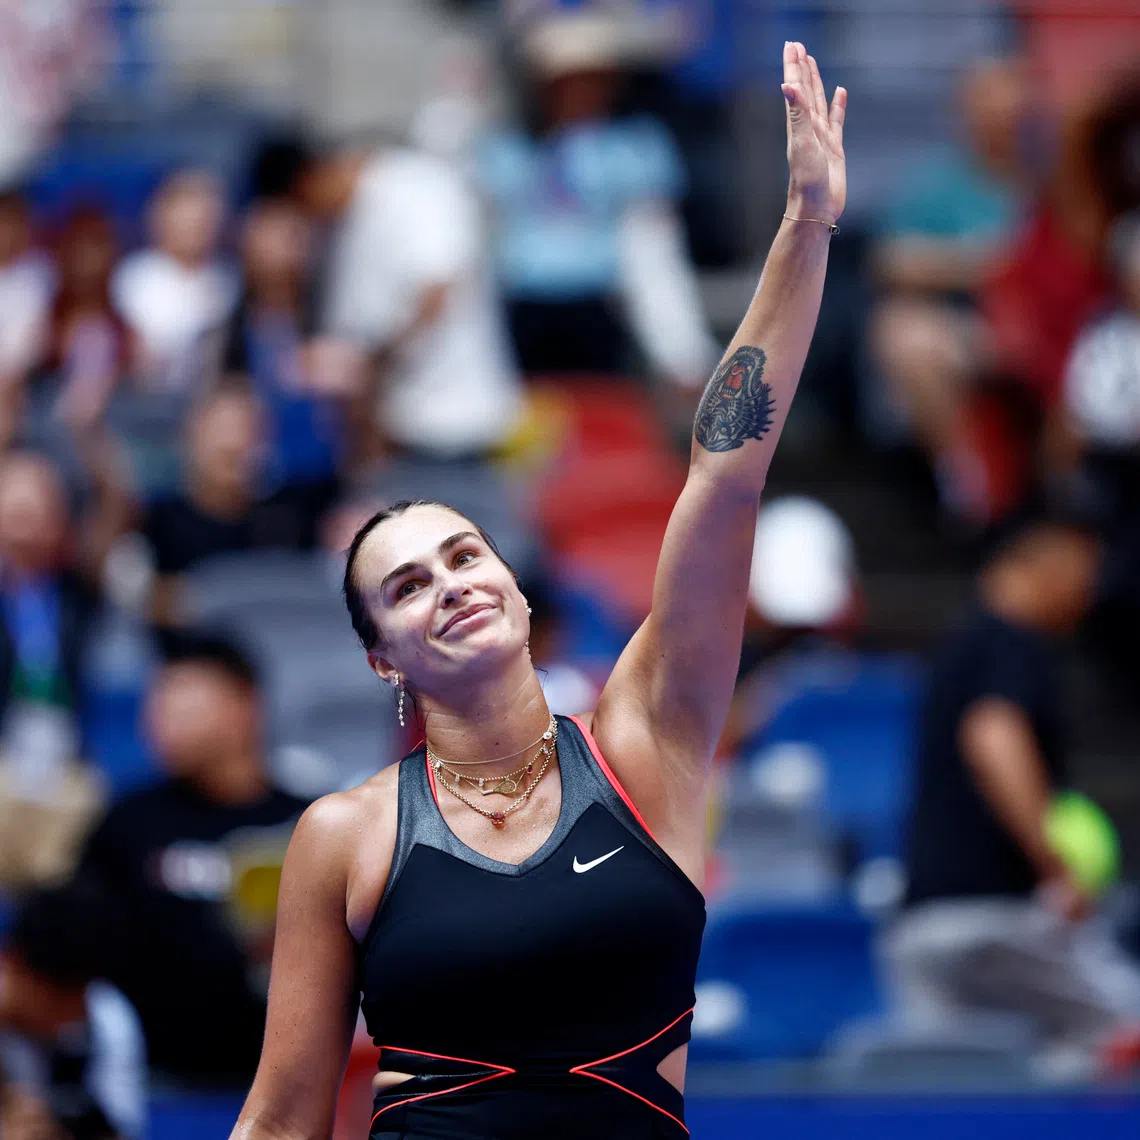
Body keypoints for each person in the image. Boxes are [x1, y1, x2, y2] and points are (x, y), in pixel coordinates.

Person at [232, 43, 845, 1140]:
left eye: (467, 556)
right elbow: (283, 1116)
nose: (452, 585)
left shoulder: (647, 742)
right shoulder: (345, 836)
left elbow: (727, 469)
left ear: (516, 588)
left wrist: (804, 230)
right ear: (383, 656)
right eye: (408, 585)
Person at [887, 516, 1140, 1066]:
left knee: (965, 1087)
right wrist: (1053, 864)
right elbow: (993, 735)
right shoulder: (1012, 641)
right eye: (1086, 573)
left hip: (921, 927)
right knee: (1127, 1029)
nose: (1091, 593)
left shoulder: (958, 643)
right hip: (996, 918)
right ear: (1054, 562)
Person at [76, 633, 307, 1088]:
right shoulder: (125, 824)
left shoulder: (311, 822)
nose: (158, 720)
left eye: (181, 702)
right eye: (155, 704)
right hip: (151, 1083)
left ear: (245, 706)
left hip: (288, 1086)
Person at [138, 382, 333, 627]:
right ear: (192, 437)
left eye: (249, 431)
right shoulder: (157, 520)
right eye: (221, 431)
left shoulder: (295, 514)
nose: (235, 442)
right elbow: (142, 598)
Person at [0, 880, 146, 1140]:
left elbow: (121, 1131)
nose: (72, 1017)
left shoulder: (105, 1018)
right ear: (17, 965)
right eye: (59, 1000)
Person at [111, 169, 238, 394]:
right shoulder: (133, 278)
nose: (197, 224)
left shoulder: (230, 281)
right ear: (161, 216)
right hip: (142, 397)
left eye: (206, 215)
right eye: (187, 213)